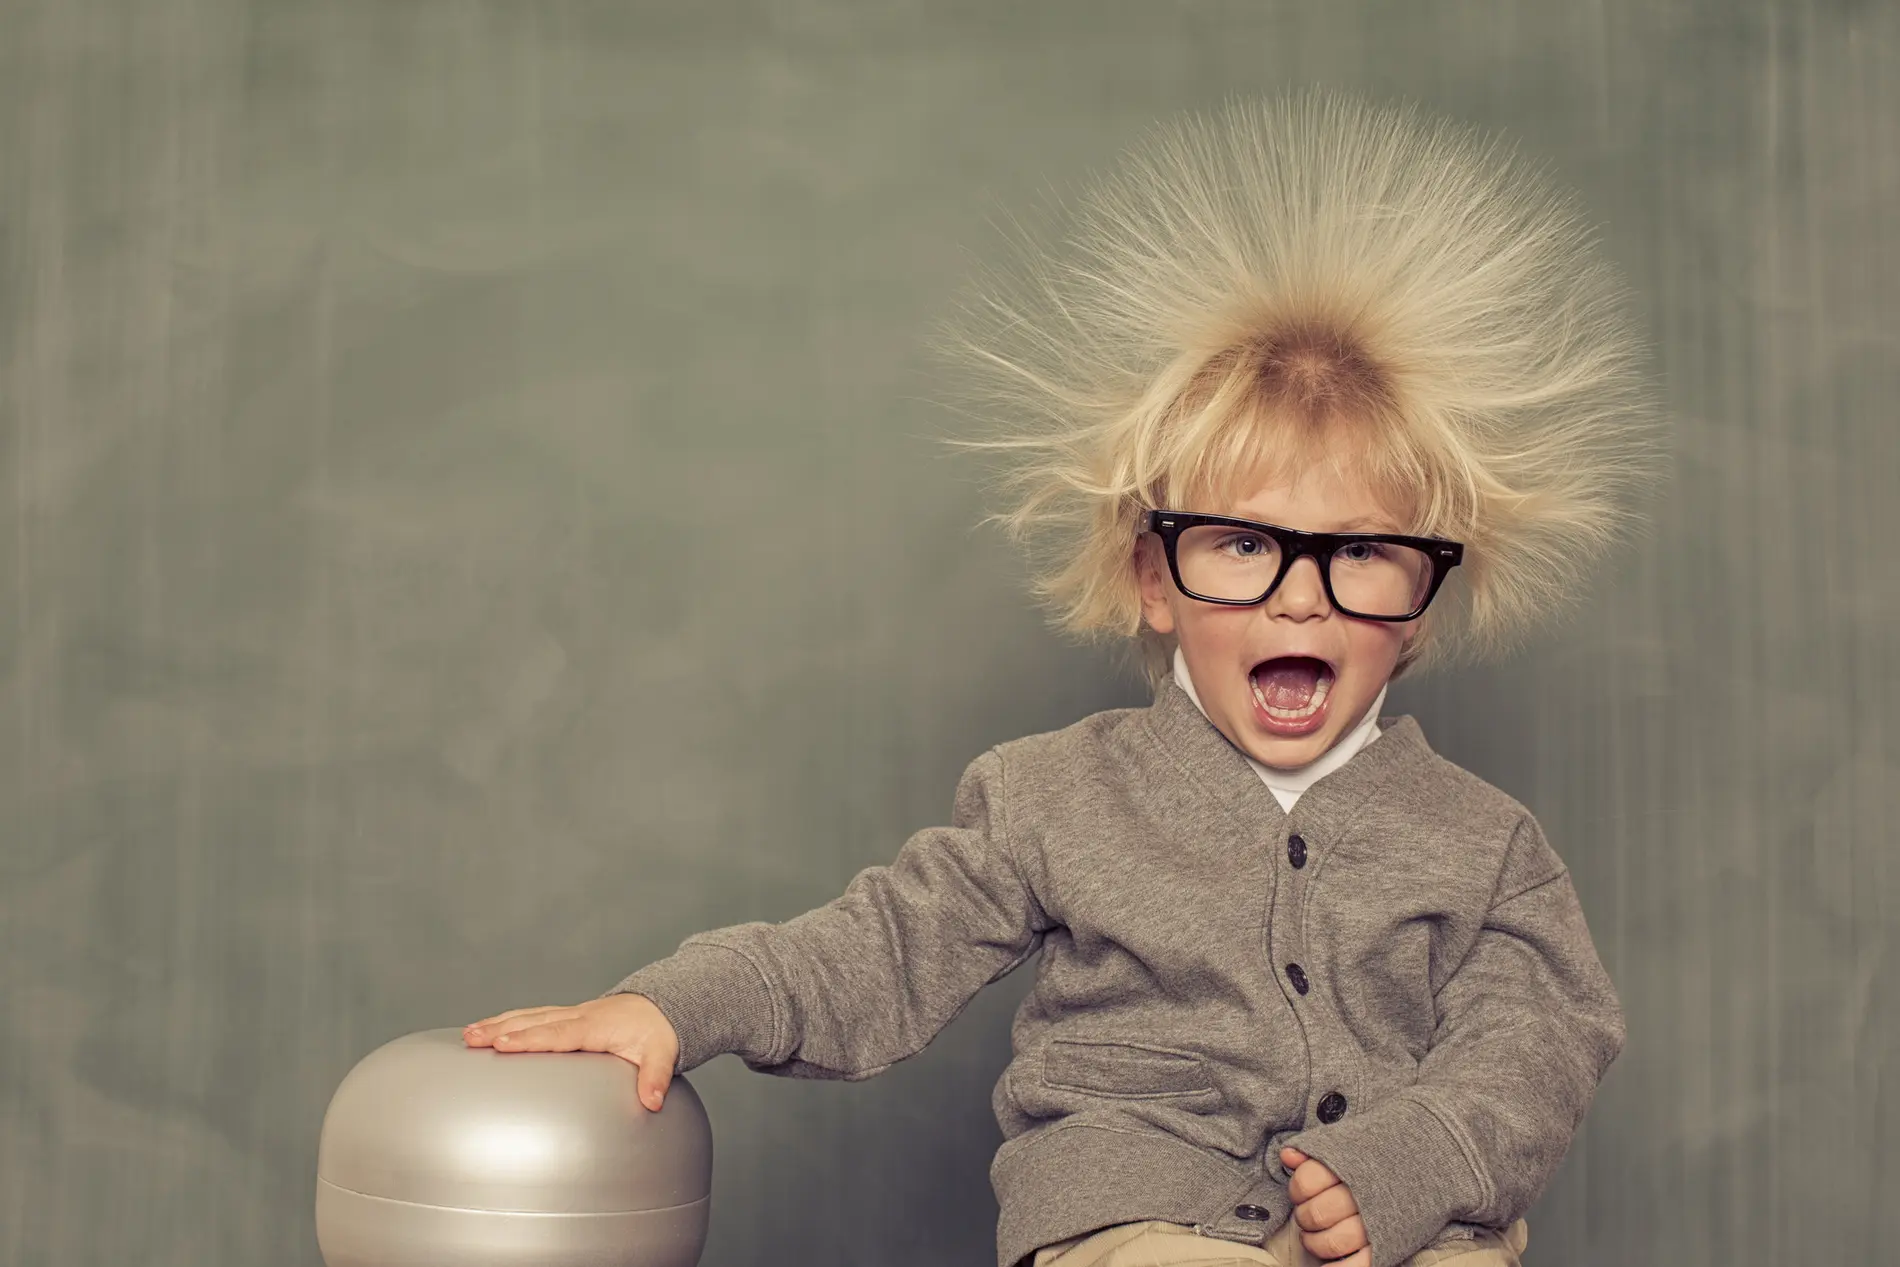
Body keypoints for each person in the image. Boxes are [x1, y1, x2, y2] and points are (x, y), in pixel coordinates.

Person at [463, 91, 1665, 1267]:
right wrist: (681, 1003)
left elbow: (1542, 1036)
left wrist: (1423, 1159)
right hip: (1138, 1223)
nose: (1302, 596)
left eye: (1359, 554)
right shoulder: (1054, 797)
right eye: (1244, 546)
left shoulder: (1484, 842)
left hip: (1405, 1229)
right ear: (1155, 577)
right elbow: (877, 948)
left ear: (1415, 612)